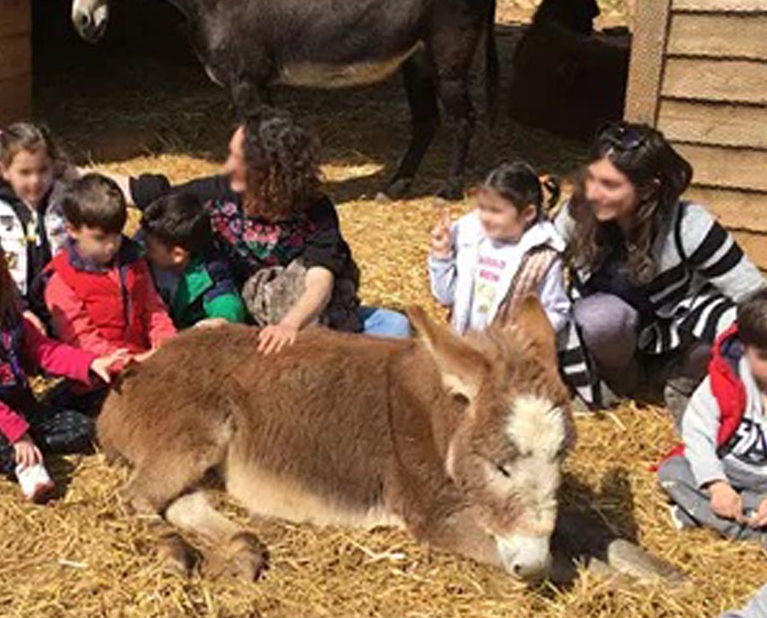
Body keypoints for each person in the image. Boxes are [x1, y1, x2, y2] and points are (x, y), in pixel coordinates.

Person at [114, 107, 409, 353]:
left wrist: (290, 324)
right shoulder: (220, 193)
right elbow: (144, 193)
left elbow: (320, 280)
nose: (227, 165)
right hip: (238, 309)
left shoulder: (316, 212)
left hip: (298, 313)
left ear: (269, 172)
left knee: (396, 328)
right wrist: (71, 178)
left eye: (238, 159)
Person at [554, 122, 765, 418]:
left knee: (734, 324)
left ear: (648, 189)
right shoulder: (575, 215)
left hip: (674, 333)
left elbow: (751, 293)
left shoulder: (688, 224)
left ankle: (680, 383)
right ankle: (618, 382)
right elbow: (536, 269)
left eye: (610, 185)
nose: (593, 192)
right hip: (610, 335)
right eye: (592, 179)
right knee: (601, 317)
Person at [0, 225, 126, 503]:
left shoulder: (8, 318)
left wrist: (89, 364)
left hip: (19, 409)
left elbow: (44, 350)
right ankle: (24, 466)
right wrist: (18, 436)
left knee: (84, 430)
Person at [43, 174, 176, 405]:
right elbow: (81, 339)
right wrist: (129, 361)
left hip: (146, 364)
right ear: (72, 230)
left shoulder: (133, 260)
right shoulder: (62, 280)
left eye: (117, 234)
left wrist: (165, 341)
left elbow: (152, 307)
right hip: (97, 378)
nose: (112, 245)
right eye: (100, 238)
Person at [658, 288, 767, 545]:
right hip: (726, 469)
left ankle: (704, 516)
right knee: (672, 472)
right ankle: (751, 534)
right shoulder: (725, 379)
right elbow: (698, 430)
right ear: (744, 348)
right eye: (763, 356)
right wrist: (716, 484)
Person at [428, 160, 570, 335]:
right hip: (464, 348)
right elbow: (446, 296)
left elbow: (556, 311)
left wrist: (528, 333)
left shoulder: (541, 258)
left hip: (508, 356)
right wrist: (441, 256)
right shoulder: (471, 242)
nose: (485, 217)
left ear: (528, 214)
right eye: (482, 208)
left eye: (495, 211)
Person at [0, 121, 73, 333]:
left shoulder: (64, 201)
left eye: (43, 170)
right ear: (5, 171)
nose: (36, 180)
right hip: (13, 304)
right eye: (25, 173)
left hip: (62, 301)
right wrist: (21, 309)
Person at [139, 191, 246, 328]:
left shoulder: (211, 276)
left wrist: (222, 320)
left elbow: (226, 301)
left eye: (149, 247)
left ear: (177, 254)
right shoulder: (153, 255)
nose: (143, 250)